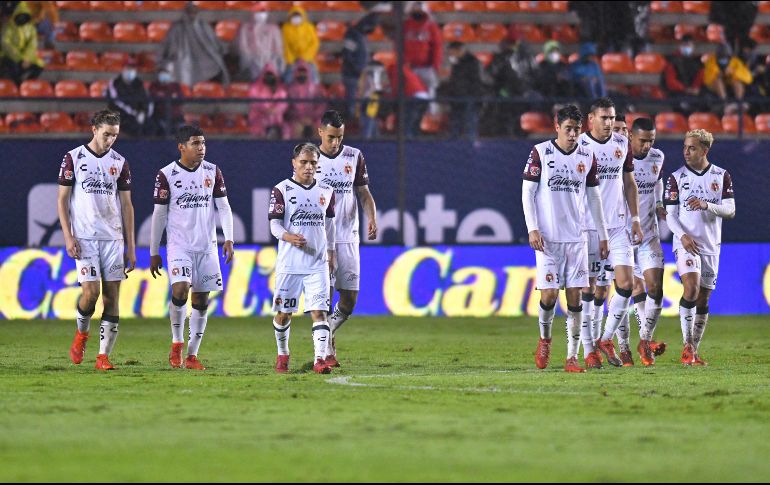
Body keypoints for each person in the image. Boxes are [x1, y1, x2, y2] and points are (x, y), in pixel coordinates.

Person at [522, 104, 609, 373]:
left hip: (577, 238)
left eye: (576, 130)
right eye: (568, 129)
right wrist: (532, 228)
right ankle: (545, 340)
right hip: (548, 239)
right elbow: (527, 193)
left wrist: (603, 235)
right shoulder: (540, 152)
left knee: (575, 299)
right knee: (548, 296)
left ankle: (571, 357)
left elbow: (594, 198)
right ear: (556, 127)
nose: (572, 134)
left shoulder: (587, 155)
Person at [149, 125, 235, 370]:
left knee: (200, 299)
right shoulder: (166, 174)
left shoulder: (213, 171)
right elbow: (159, 214)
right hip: (179, 246)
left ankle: (192, 355)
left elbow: (224, 207)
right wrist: (154, 251)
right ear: (181, 147)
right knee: (180, 289)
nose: (201, 148)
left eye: (203, 143)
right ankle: (177, 343)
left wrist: (229, 238)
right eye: (196, 143)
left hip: (207, 246)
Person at [58, 110, 136, 371]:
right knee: (91, 294)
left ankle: (103, 356)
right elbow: (62, 200)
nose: (110, 140)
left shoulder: (120, 162)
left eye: (114, 135)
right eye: (106, 134)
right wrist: (68, 236)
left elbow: (127, 205)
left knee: (112, 298)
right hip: (85, 238)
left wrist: (131, 247)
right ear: (94, 130)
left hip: (113, 239)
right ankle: (82, 334)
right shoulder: (73, 158)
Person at [578, 97, 643, 368]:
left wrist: (636, 218)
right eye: (603, 118)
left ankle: (605, 338)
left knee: (626, 284)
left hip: (617, 225)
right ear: (590, 119)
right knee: (590, 290)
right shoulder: (579, 146)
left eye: (611, 118)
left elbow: (629, 182)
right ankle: (588, 350)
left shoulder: (621, 144)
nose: (608, 123)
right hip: (588, 227)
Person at [664, 129, 735, 366]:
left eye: (692, 148)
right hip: (686, 243)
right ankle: (686, 347)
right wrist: (682, 236)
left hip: (710, 245)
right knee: (691, 289)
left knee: (703, 300)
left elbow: (730, 210)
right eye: (685, 147)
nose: (686, 151)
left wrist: (707, 204)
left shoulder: (721, 175)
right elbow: (670, 216)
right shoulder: (676, 178)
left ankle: (693, 350)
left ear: (705, 150)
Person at [268, 143, 336, 374]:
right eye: (304, 162)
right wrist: (288, 236)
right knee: (284, 314)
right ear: (294, 163)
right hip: (290, 265)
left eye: (313, 163)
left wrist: (331, 253)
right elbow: (274, 225)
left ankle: (319, 360)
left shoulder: (326, 191)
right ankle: (283, 353)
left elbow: (330, 225)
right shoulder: (282, 190)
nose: (308, 167)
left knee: (319, 313)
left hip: (317, 264)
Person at [316, 110, 378, 367]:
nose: (335, 143)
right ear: (320, 132)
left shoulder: (354, 156)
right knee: (325, 298)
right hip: (320, 239)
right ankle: (325, 351)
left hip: (348, 236)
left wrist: (372, 217)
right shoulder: (310, 159)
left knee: (349, 300)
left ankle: (327, 331)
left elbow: (363, 192)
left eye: (339, 137)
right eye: (331, 137)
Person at [613, 117, 668, 367]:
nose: (647, 146)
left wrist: (659, 203)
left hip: (649, 233)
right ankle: (623, 347)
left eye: (651, 141)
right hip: (622, 235)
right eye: (643, 140)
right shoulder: (619, 159)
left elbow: (657, 182)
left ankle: (644, 340)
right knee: (631, 288)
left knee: (655, 288)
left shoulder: (658, 157)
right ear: (631, 137)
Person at [160, 2, 229, 87]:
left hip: (206, 63)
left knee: (217, 67)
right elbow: (169, 49)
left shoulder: (204, 26)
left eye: (194, 10)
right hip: (182, 62)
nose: (192, 13)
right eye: (190, 11)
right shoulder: (176, 27)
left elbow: (216, 45)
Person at [403, 1, 442, 110]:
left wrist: (435, 66)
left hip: (427, 67)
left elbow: (437, 47)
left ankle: (430, 116)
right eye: (415, 8)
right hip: (410, 67)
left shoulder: (431, 26)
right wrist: (404, 64)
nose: (417, 10)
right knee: (411, 94)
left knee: (430, 96)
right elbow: (399, 46)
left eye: (419, 8)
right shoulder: (406, 25)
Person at [341, 13, 378, 119]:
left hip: (362, 75)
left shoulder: (363, 36)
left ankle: (359, 125)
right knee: (352, 103)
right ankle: (351, 126)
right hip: (351, 74)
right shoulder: (352, 34)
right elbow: (347, 54)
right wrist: (356, 69)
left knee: (364, 104)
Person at [444, 41, 482, 140]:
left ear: (458, 50)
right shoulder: (457, 63)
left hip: (469, 97)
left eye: (451, 52)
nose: (450, 55)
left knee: (469, 123)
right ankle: (454, 144)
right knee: (455, 123)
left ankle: (470, 145)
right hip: (456, 98)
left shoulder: (472, 62)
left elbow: (475, 81)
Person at [107, 58, 156, 136]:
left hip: (139, 116)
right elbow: (116, 102)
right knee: (133, 127)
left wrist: (144, 113)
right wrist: (135, 113)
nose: (130, 71)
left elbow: (146, 100)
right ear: (123, 69)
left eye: (132, 68)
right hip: (121, 117)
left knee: (152, 126)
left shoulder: (139, 84)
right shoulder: (115, 83)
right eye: (128, 68)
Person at [236, 3, 284, 82]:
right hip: (252, 62)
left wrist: (271, 61)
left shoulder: (274, 28)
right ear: (253, 13)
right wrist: (252, 60)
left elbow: (278, 48)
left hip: (270, 61)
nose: (261, 14)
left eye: (263, 12)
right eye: (258, 12)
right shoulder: (246, 28)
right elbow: (243, 47)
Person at [0, 1, 44, 84]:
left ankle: (26, 86)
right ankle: (16, 85)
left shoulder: (30, 28)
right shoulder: (8, 27)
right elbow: (5, 45)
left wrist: (26, 58)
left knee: (39, 65)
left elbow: (32, 46)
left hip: (23, 58)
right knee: (11, 64)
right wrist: (20, 59)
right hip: (9, 57)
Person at [662, 35, 705, 114]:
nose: (687, 47)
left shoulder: (697, 61)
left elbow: (700, 76)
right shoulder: (672, 60)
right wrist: (685, 89)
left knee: (705, 101)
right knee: (683, 105)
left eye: (689, 45)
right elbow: (670, 82)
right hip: (676, 93)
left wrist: (695, 89)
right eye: (685, 44)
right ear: (680, 46)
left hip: (693, 93)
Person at [285, 60, 326, 139]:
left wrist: (311, 118)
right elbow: (287, 109)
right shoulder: (289, 89)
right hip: (296, 120)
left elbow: (321, 106)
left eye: (304, 72)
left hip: (313, 119)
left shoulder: (315, 88)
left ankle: (317, 150)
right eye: (299, 72)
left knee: (321, 129)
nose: (302, 74)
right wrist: (299, 118)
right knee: (294, 129)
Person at [248, 63, 289, 139]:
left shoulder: (280, 88)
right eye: (267, 74)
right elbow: (254, 102)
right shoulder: (255, 87)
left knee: (286, 130)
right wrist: (266, 109)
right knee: (259, 132)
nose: (269, 77)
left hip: (277, 119)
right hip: (259, 118)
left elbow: (283, 103)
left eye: (271, 74)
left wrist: (275, 110)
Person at [281, 5, 319, 83]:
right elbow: (285, 45)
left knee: (314, 77)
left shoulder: (309, 27)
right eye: (294, 16)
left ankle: (314, 91)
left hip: (308, 59)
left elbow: (314, 43)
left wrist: (305, 57)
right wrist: (291, 59)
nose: (296, 18)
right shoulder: (285, 28)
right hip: (292, 59)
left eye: (298, 16)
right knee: (288, 78)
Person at [148, 66, 185, 137]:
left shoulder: (175, 86)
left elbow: (180, 99)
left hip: (176, 117)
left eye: (166, 73)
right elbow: (155, 97)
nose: (164, 75)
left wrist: (165, 95)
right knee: (162, 131)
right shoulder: (154, 86)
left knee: (183, 132)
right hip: (160, 117)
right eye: (162, 73)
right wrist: (171, 95)